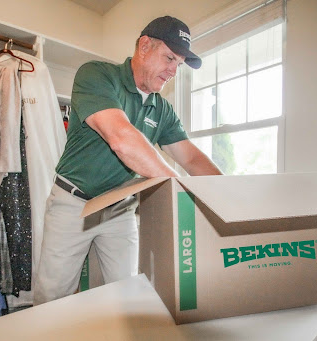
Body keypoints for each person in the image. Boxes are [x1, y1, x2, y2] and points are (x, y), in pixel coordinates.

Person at [33, 15, 222, 305]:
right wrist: (183, 191)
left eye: (178, 65)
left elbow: (192, 159)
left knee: (126, 294)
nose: (173, 70)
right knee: (52, 297)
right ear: (144, 46)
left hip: (120, 211)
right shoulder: (97, 75)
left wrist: (228, 196)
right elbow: (122, 139)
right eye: (169, 58)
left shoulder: (163, 109)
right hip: (72, 203)